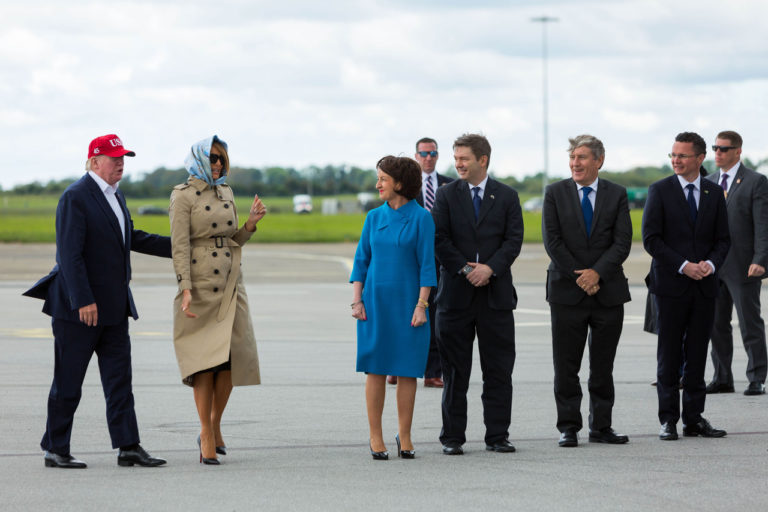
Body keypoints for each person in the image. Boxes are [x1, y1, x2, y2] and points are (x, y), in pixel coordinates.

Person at [23, 134, 171, 468]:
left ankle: (128, 446)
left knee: (120, 381)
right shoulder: (75, 197)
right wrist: (83, 300)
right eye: (114, 157)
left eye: (124, 157)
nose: (121, 163)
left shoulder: (115, 197)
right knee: (69, 382)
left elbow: (132, 237)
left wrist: (180, 247)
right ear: (94, 162)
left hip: (115, 308)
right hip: (79, 310)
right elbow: (70, 255)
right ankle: (55, 448)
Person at [169, 135, 266, 465]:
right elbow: (179, 246)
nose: (218, 164)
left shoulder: (226, 192)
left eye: (222, 158)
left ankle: (213, 422)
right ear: (198, 159)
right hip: (199, 284)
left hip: (230, 283)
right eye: (212, 158)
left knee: (231, 360)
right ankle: (206, 433)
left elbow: (232, 240)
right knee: (204, 363)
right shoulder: (182, 196)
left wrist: (250, 225)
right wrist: (184, 286)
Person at [431, 133, 523, 455]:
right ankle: (452, 437)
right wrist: (468, 270)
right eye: (456, 159)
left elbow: (514, 241)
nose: (458, 164)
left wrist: (490, 269)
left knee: (498, 371)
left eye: (464, 159)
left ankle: (498, 436)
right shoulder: (446, 196)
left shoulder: (507, 196)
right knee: (455, 372)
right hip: (456, 297)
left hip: (495, 298)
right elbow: (439, 239)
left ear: (482, 160)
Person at [542, 135, 632, 448]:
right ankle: (568, 426)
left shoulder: (617, 194)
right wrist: (581, 276)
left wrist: (598, 273)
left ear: (598, 161)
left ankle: (601, 426)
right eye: (572, 157)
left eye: (581, 157)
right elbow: (552, 241)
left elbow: (622, 241)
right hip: (567, 292)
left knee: (602, 366)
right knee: (566, 365)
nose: (575, 163)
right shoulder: (555, 193)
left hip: (608, 292)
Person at [642, 131, 730, 441]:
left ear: (699, 158)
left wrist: (710, 264)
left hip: (704, 286)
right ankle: (668, 419)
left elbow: (723, 240)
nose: (676, 160)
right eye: (673, 155)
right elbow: (651, 239)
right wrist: (683, 265)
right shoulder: (660, 191)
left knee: (697, 353)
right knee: (668, 354)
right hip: (670, 286)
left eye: (682, 155)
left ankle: (694, 418)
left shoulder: (713, 192)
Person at [350, 155, 436, 460]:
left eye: (383, 179)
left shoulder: (422, 218)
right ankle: (376, 436)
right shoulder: (373, 218)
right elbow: (361, 261)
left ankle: (406, 435)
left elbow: (428, 267)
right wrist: (357, 300)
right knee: (375, 368)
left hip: (409, 304)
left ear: (399, 183)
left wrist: (422, 305)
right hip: (374, 303)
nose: (378, 185)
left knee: (407, 370)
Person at [706, 130, 768, 396]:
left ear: (737, 151)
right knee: (715, 325)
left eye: (723, 148)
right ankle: (722, 377)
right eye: (715, 148)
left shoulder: (756, 181)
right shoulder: (707, 181)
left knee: (749, 322)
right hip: (713, 265)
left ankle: (757, 377)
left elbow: (763, 224)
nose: (718, 153)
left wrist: (761, 259)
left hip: (743, 265)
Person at [406, 137, 453, 389]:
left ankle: (432, 371)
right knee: (406, 313)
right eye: (423, 153)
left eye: (433, 153)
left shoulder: (451, 185)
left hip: (441, 259)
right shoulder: (407, 187)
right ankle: (398, 366)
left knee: (434, 315)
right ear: (416, 156)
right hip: (411, 259)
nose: (428, 157)